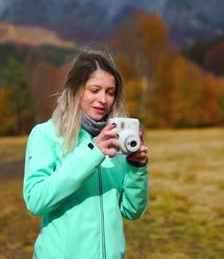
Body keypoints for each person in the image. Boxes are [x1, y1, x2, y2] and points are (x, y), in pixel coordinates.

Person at [23, 50, 149, 259]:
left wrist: (137, 169)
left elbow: (132, 211)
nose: (103, 99)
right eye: (95, 90)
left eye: (110, 92)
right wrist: (92, 153)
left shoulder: (116, 139)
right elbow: (36, 201)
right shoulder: (45, 135)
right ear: (76, 90)